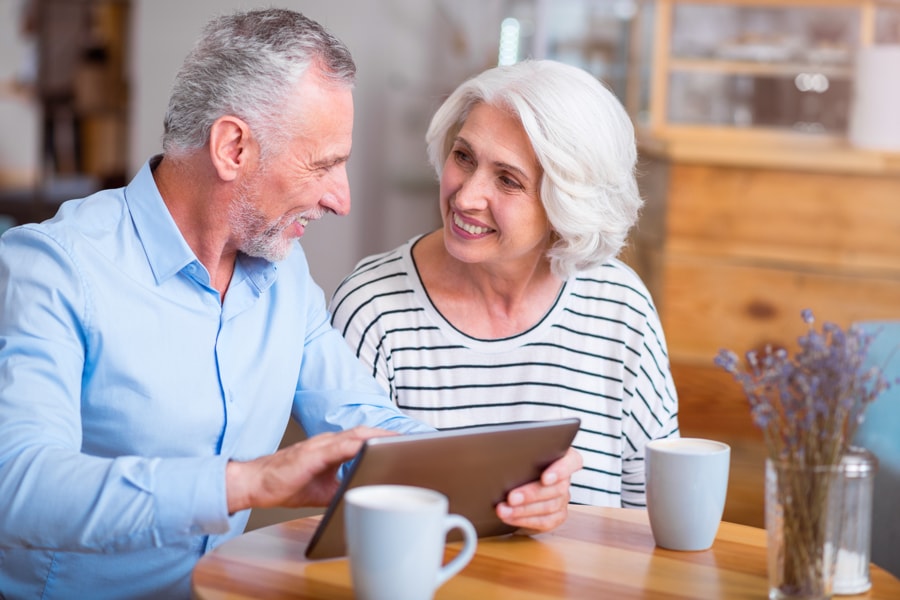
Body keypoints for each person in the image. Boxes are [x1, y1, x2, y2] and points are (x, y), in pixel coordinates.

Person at [0, 10, 580, 599]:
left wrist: (504, 480)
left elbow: (363, 419)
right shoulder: (54, 267)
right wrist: (246, 483)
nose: (342, 198)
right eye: (323, 164)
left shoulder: (280, 273)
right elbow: (18, 487)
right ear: (233, 148)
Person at [330, 59, 679, 508]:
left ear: (567, 202)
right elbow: (355, 516)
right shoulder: (373, 307)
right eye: (464, 157)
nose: (467, 196)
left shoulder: (619, 306)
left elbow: (652, 515)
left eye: (507, 179)